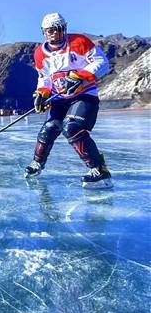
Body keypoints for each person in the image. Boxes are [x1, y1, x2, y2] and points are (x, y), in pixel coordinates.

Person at [24, 12, 112, 188]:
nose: (54, 33)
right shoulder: (40, 54)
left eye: (58, 29)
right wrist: (42, 93)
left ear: (64, 29)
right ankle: (37, 163)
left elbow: (102, 62)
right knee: (48, 129)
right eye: (50, 30)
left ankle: (99, 170)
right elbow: (44, 78)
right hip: (60, 99)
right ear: (44, 32)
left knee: (72, 127)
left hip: (84, 95)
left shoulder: (79, 42)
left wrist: (80, 76)